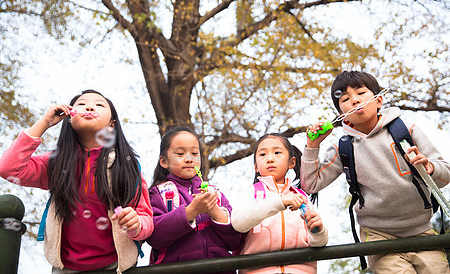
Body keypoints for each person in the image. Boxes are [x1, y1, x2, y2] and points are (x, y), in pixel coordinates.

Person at [301, 70, 450, 273]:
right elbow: (310, 185)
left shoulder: (406, 131)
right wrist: (312, 147)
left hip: (422, 230)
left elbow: (445, 176)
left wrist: (430, 168)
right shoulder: (343, 148)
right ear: (340, 113)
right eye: (345, 98)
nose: (354, 101)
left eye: (360, 93)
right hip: (379, 235)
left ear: (379, 101)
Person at [0, 90, 154, 273]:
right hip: (65, 268)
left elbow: (147, 220)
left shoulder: (127, 166)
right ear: (69, 118)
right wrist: (44, 123)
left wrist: (136, 225)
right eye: (81, 104)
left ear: (112, 124)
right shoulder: (55, 163)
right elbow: (8, 168)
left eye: (99, 104)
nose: (89, 106)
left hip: (116, 267)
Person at [145, 127, 243, 273]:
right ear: (164, 161)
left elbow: (236, 242)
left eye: (195, 153)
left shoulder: (215, 194)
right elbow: (154, 237)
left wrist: (216, 212)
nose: (189, 158)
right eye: (180, 153)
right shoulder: (159, 194)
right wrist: (191, 212)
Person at [231, 133, 328, 274]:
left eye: (277, 152)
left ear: (291, 163)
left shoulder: (302, 197)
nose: (270, 159)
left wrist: (318, 231)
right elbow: (238, 223)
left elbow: (318, 243)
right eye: (263, 155)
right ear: (256, 167)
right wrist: (278, 202)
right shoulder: (252, 193)